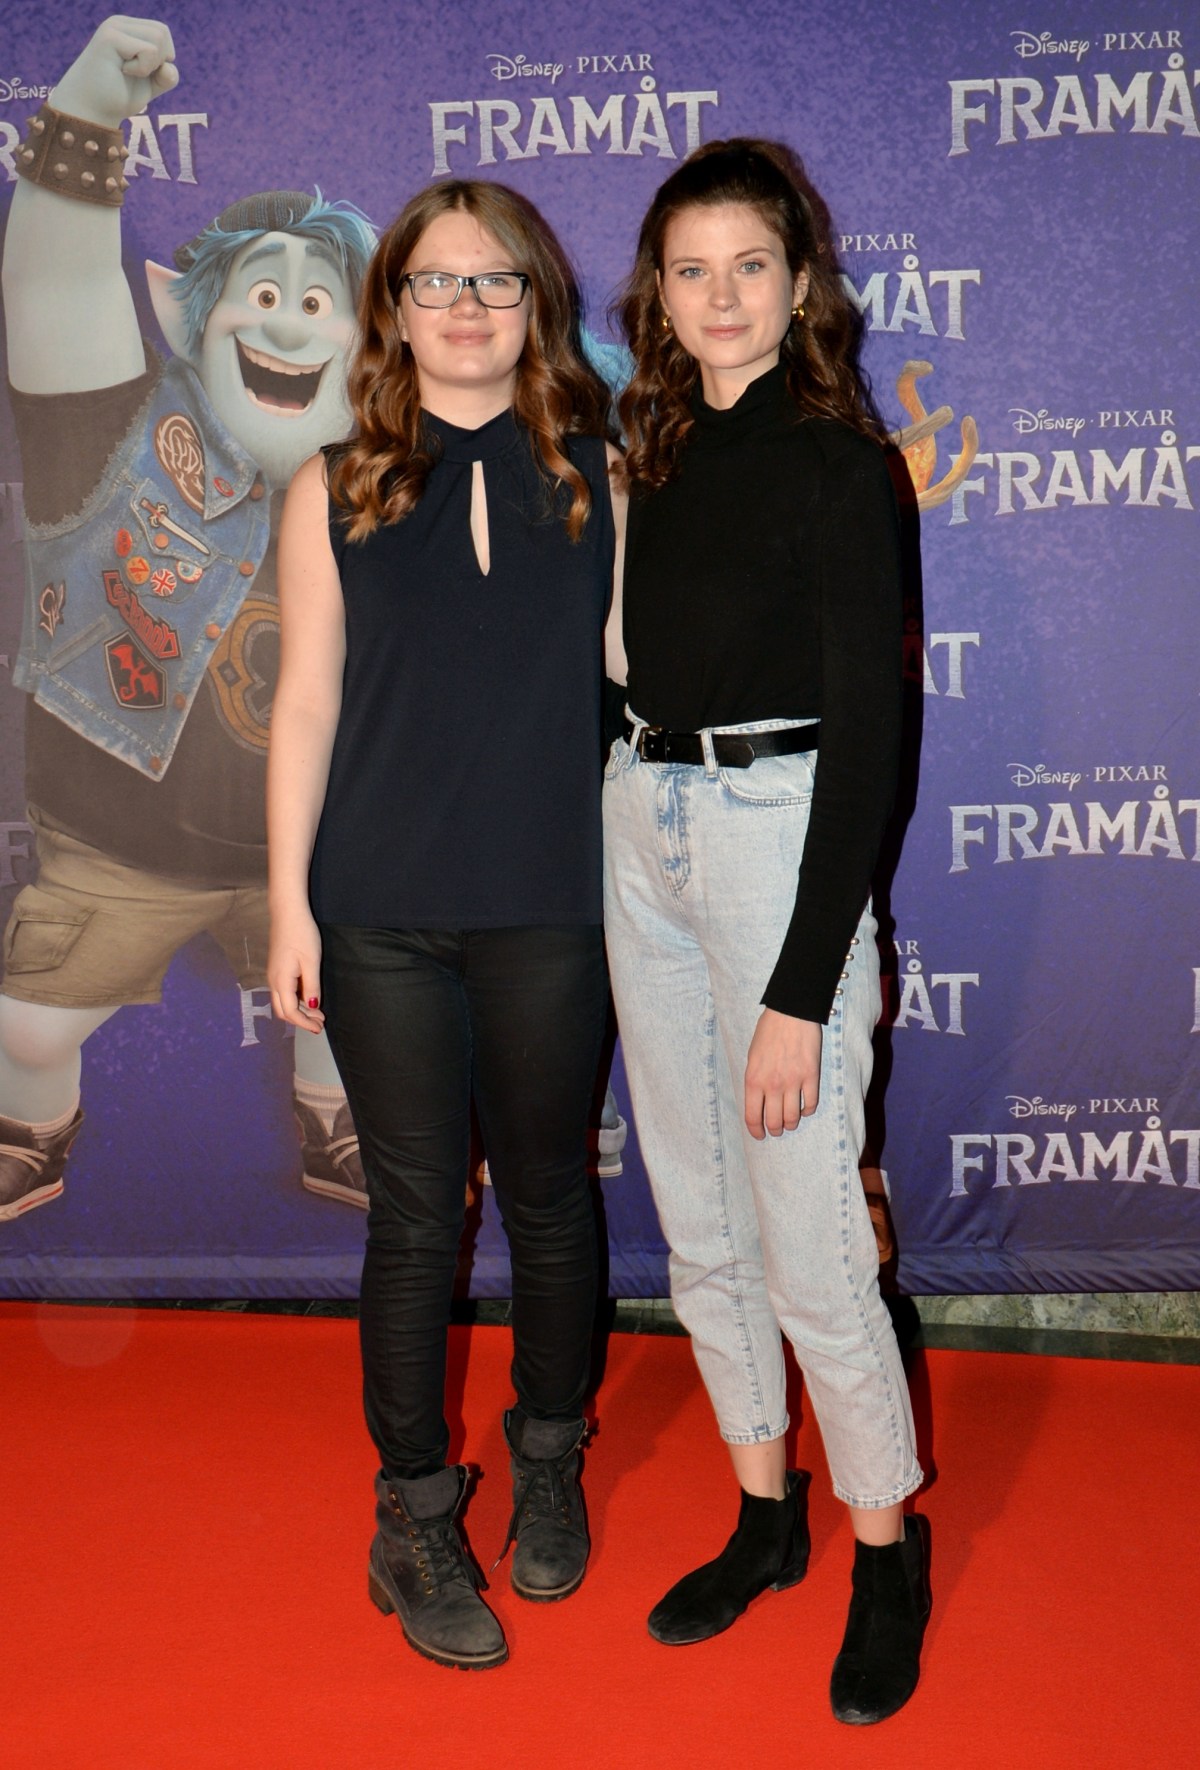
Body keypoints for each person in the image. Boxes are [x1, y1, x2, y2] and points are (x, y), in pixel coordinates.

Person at [267, 180, 624, 1671]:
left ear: (537, 305)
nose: (466, 308)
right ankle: (413, 1512)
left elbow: (640, 674)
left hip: (554, 901)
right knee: (416, 1220)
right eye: (435, 281)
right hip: (382, 914)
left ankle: (548, 1460)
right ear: (394, 309)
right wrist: (289, 902)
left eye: (496, 282)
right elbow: (304, 703)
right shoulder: (331, 486)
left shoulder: (606, 475)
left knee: (549, 1198)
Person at [604, 139, 928, 1725]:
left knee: (810, 1236)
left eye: (750, 265)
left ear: (801, 284)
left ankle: (884, 1546)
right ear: (657, 296)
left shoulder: (841, 465)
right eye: (692, 268)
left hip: (776, 840)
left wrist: (806, 988)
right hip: (641, 827)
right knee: (702, 1221)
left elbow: (874, 737)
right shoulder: (649, 451)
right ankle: (763, 1512)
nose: (720, 294)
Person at [0, 15, 376, 1222]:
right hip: (119, 850)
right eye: (260, 295)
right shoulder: (112, 432)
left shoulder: (396, 478)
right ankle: (31, 1122)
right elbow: (57, 286)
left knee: (372, 998)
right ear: (183, 317)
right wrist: (86, 114)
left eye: (320, 302)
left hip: (324, 851)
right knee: (28, 1024)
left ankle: (338, 1118)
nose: (287, 323)